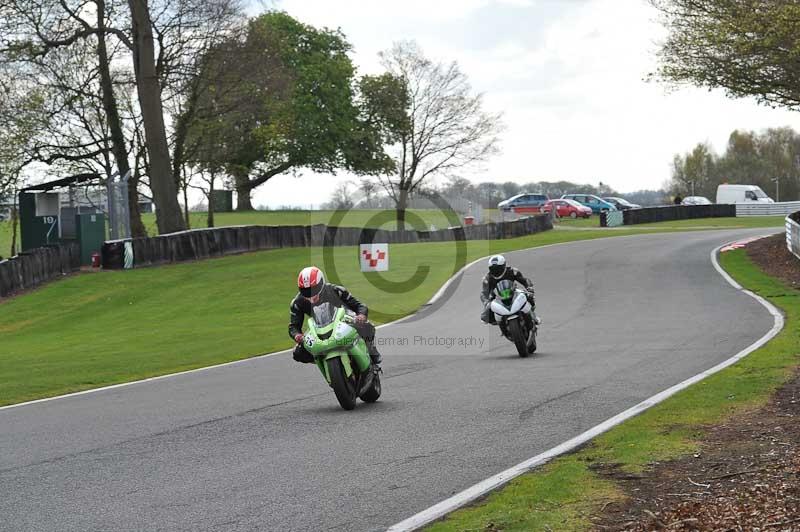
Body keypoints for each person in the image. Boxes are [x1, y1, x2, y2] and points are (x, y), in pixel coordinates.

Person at [289, 266, 382, 365]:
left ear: (321, 283)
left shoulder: (335, 290)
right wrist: (297, 335)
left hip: (342, 322)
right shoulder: (297, 303)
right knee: (297, 353)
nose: (311, 294)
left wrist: (361, 316)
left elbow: (359, 306)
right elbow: (293, 326)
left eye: (314, 288)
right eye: (306, 291)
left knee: (367, 326)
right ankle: (322, 361)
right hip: (318, 329)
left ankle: (370, 349)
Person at [480, 254, 540, 325]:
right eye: (493, 269)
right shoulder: (487, 279)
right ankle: (500, 322)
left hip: (514, 291)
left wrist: (529, 288)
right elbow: (484, 293)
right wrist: (486, 302)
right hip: (497, 296)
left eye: (497, 268)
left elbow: (524, 280)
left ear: (504, 265)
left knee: (529, 296)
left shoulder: (512, 271)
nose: (495, 271)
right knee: (485, 316)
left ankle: (533, 316)